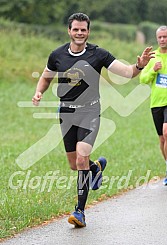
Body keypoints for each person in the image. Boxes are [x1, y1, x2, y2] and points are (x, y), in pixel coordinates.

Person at [32, 13, 154, 228]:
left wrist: (140, 66)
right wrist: (39, 92)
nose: (80, 33)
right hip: (66, 113)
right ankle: (95, 167)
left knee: (80, 159)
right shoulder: (57, 54)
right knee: (75, 165)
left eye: (83, 30)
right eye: (76, 29)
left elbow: (126, 73)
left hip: (90, 112)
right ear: (69, 31)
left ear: (88, 31)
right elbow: (46, 75)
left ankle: (79, 212)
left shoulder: (98, 54)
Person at [140, 26, 167, 186]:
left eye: (165, 36)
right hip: (156, 102)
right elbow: (143, 79)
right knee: (162, 138)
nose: (163, 39)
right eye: (160, 37)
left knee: (166, 131)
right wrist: (153, 71)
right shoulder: (153, 56)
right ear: (157, 38)